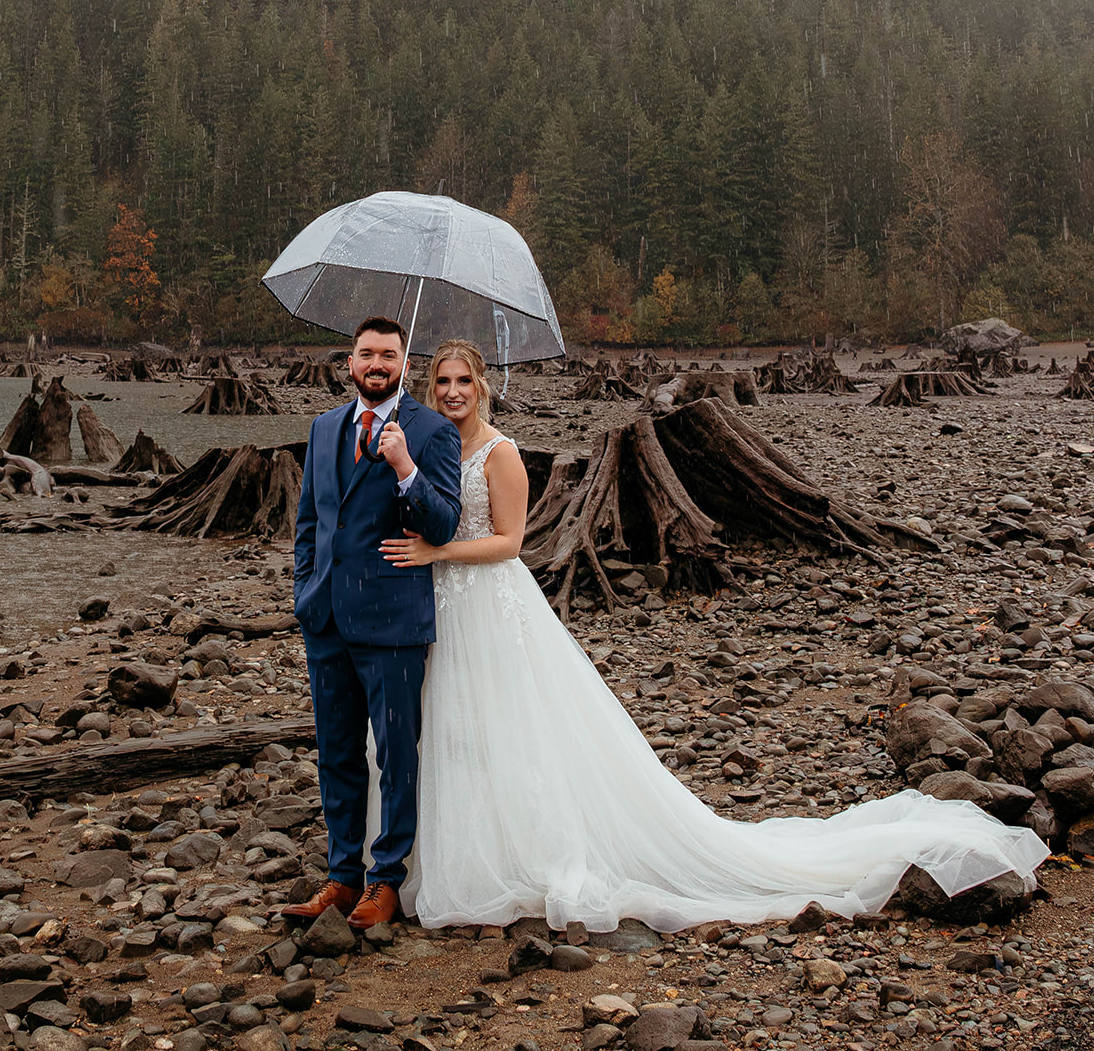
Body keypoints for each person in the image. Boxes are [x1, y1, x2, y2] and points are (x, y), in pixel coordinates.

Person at [378, 339, 1048, 931]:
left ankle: (513, 851)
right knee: (449, 727)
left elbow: (507, 542)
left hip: (488, 601)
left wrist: (436, 555)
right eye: (441, 382)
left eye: (462, 381)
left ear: (482, 386)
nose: (452, 392)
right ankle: (443, 850)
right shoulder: (429, 446)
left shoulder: (499, 453)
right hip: (434, 604)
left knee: (506, 723)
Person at [284, 317, 463, 932]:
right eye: (367, 354)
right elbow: (309, 519)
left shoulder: (432, 431)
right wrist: (307, 587)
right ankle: (342, 875)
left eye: (389, 354)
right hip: (327, 617)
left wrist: (405, 468)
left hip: (392, 624)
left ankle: (386, 879)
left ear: (404, 364)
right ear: (351, 361)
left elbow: (443, 526)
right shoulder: (324, 427)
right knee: (336, 752)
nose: (376, 363)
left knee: (395, 756)